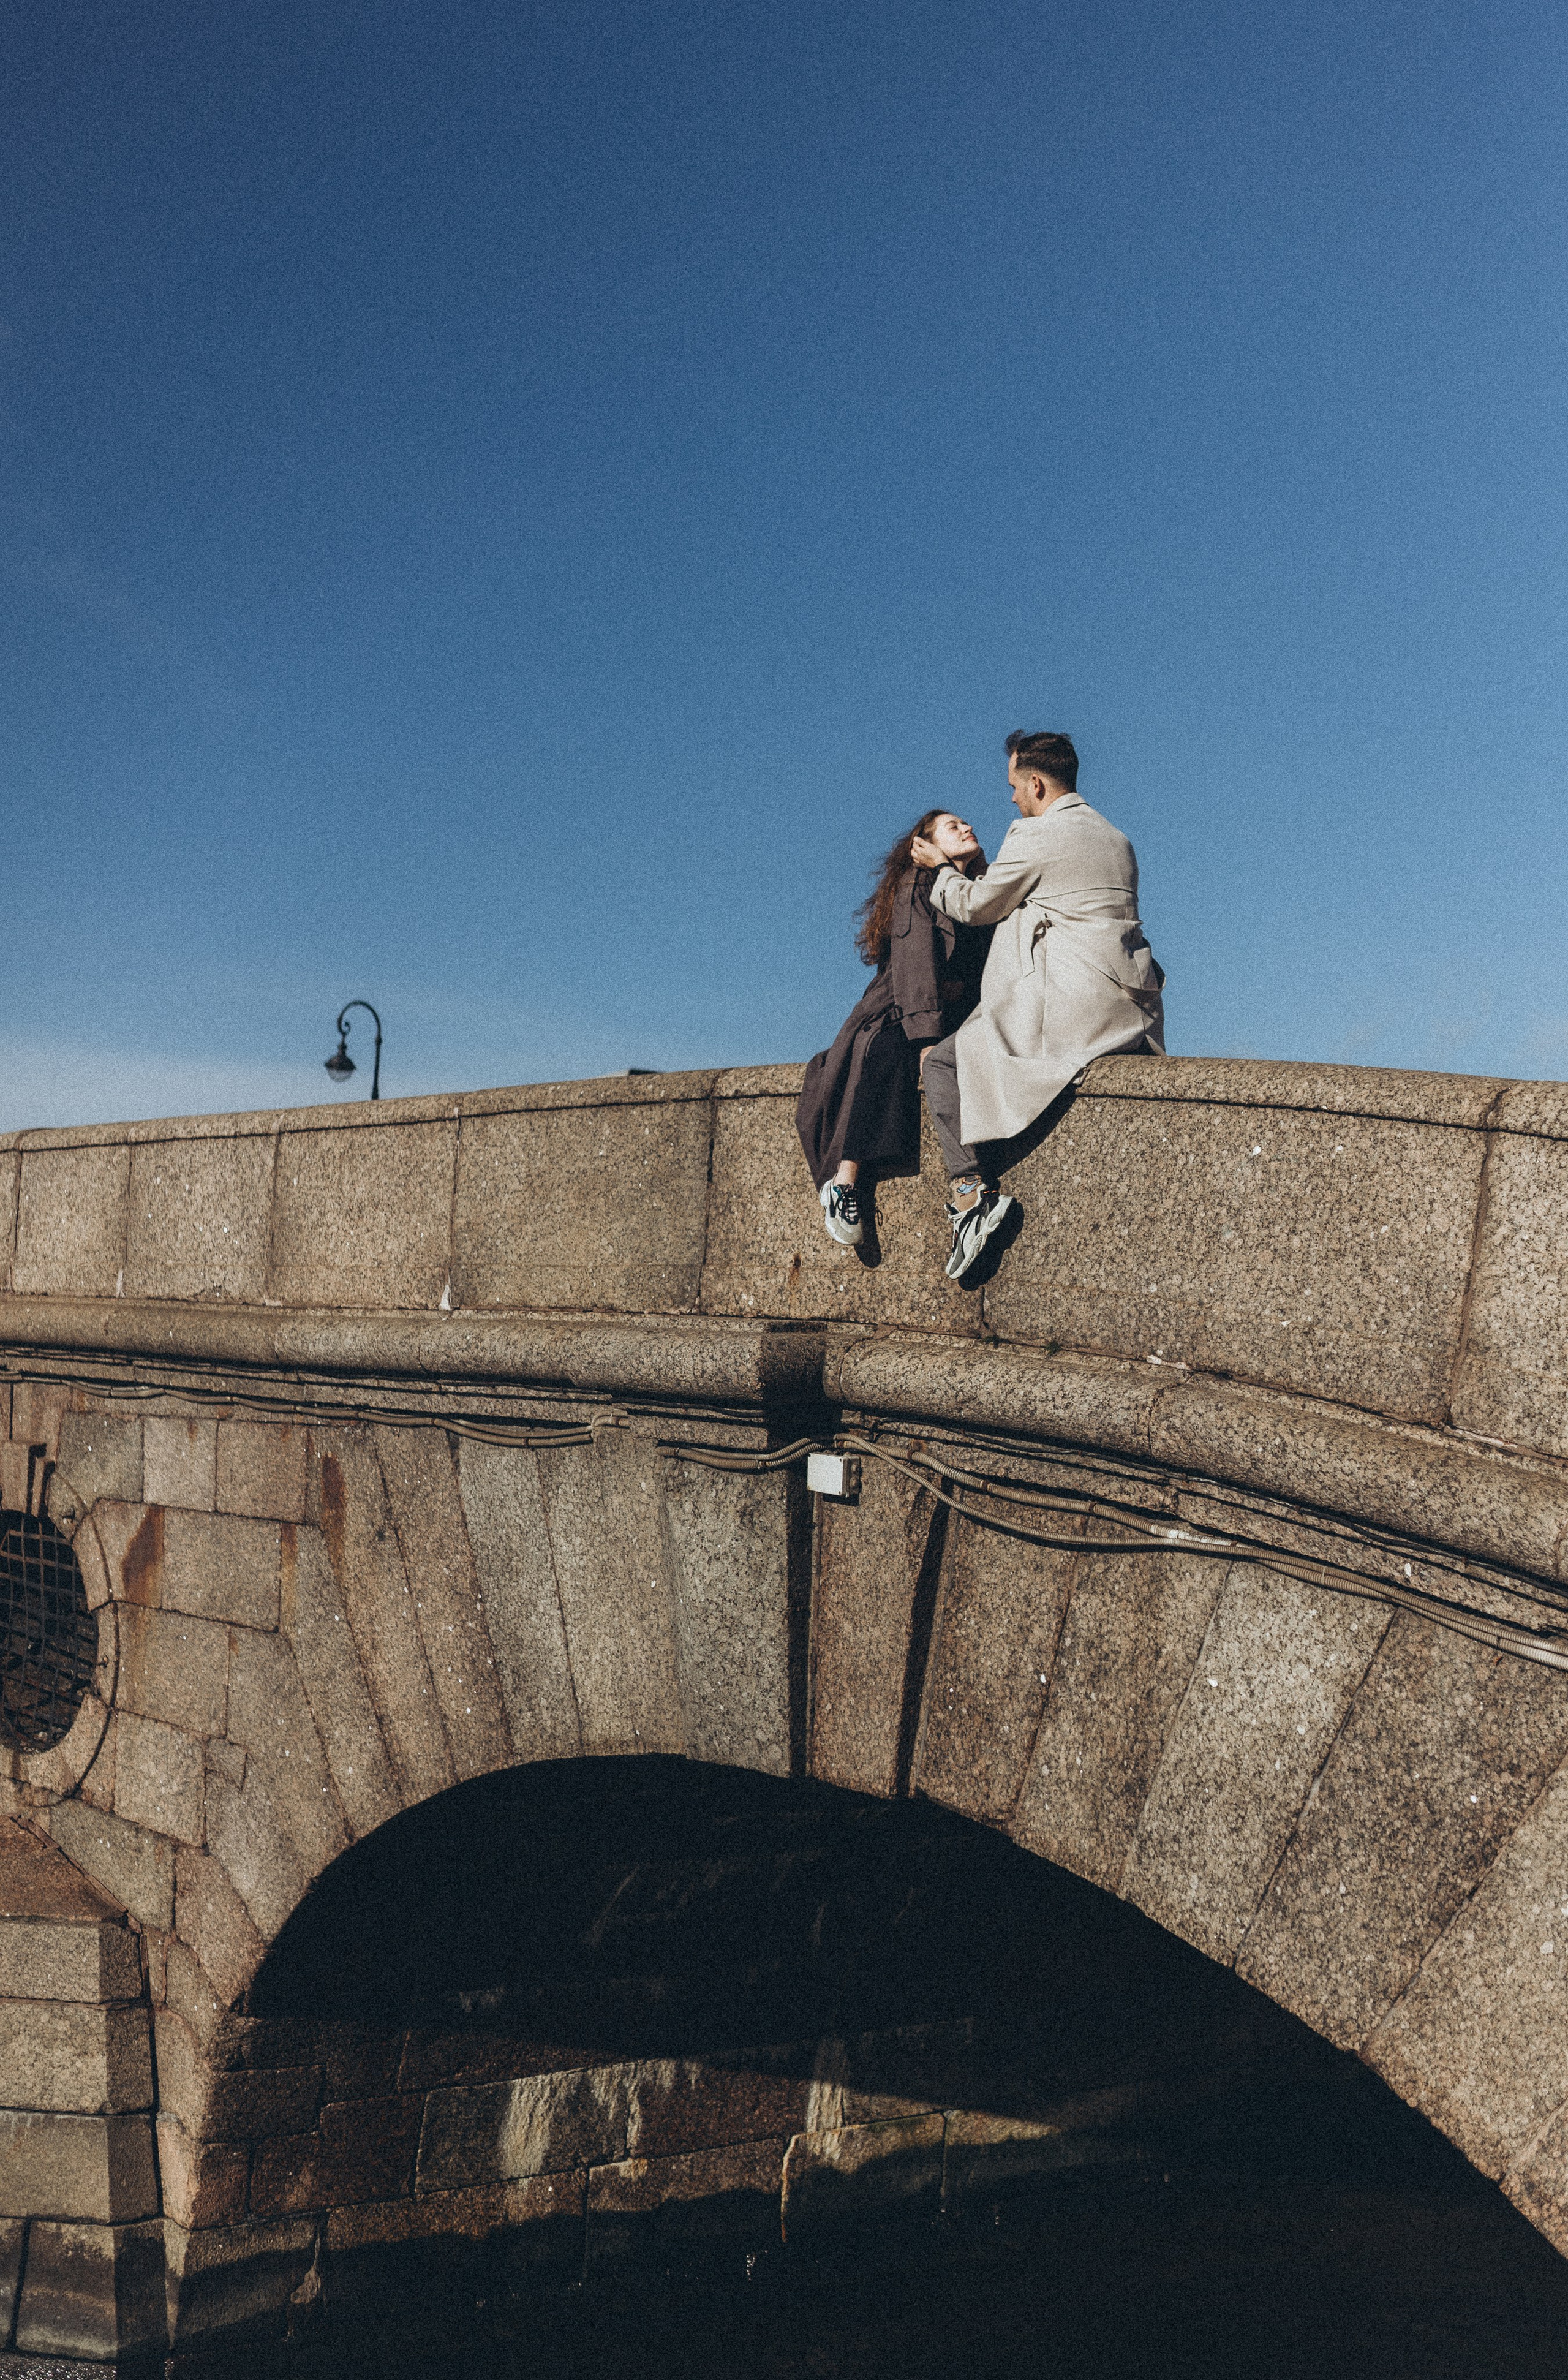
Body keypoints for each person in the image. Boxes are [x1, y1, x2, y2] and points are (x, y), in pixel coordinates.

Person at [910, 730, 1164, 1280]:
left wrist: (940, 869)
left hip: (1075, 1006)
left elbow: (975, 905)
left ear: (1036, 784)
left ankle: (970, 1198)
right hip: (1130, 1006)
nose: (1011, 798)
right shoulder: (1116, 837)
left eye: (1014, 787)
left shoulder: (1036, 834)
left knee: (943, 1063)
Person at [797, 811, 992, 1245]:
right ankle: (844, 1182)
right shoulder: (917, 884)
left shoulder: (978, 889)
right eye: (952, 827)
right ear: (925, 845)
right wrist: (926, 1039)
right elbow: (917, 964)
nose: (967, 827)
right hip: (903, 1007)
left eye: (966, 823)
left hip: (960, 1011)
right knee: (886, 1050)